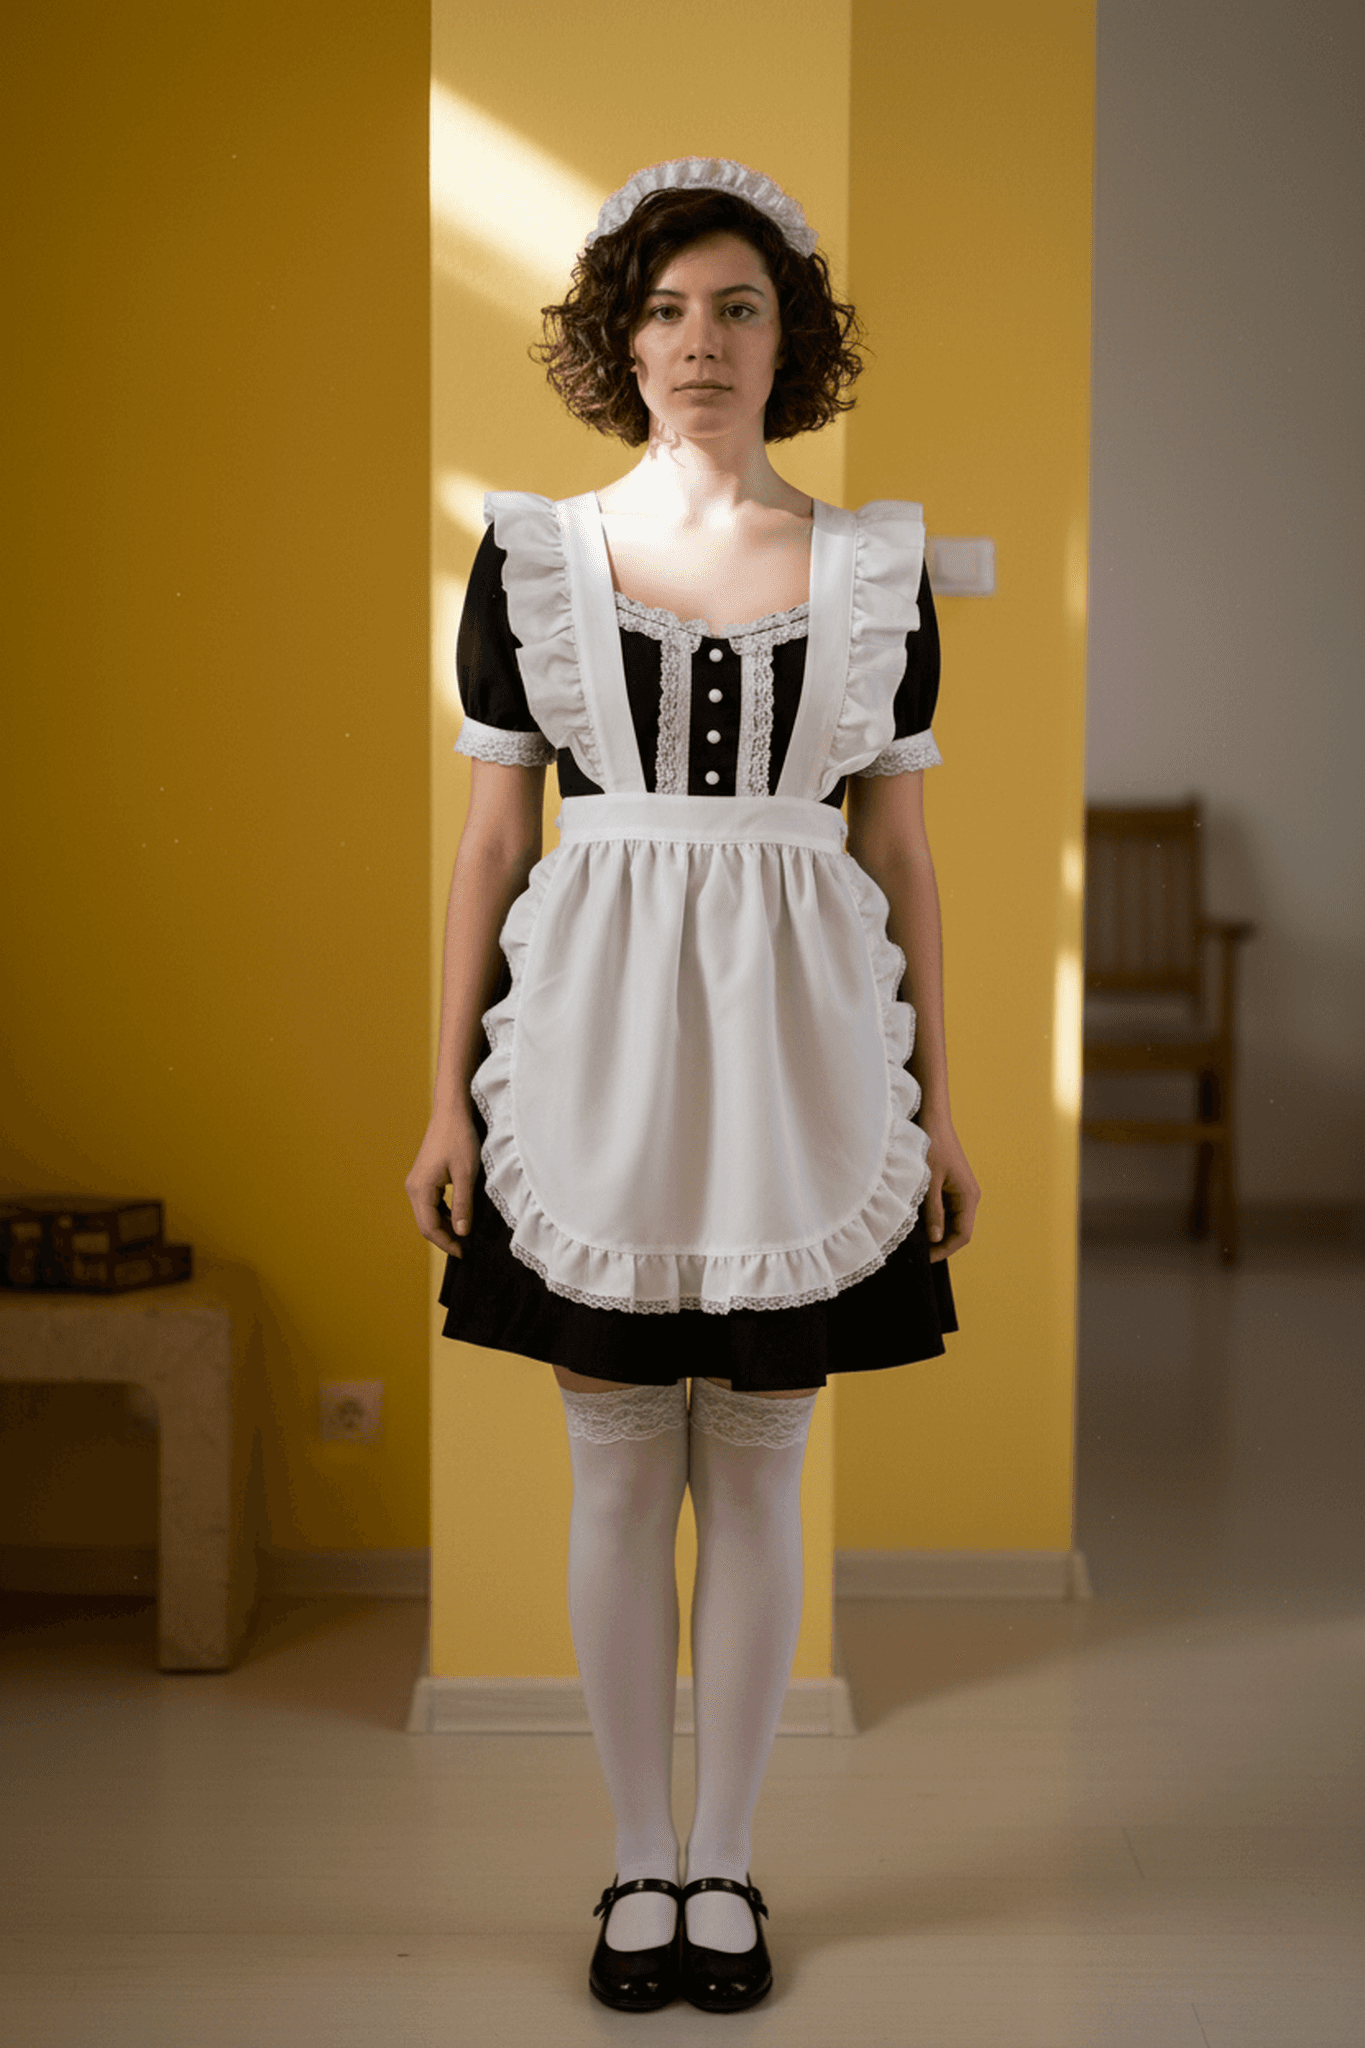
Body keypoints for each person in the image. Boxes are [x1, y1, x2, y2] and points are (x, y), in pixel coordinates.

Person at [405, 156, 980, 2014]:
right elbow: (492, 851)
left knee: (757, 1468)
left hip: (805, 1052)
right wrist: (441, 1105)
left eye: (737, 308)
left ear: (788, 337)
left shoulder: (879, 564)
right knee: (604, 1464)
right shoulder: (536, 558)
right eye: (664, 310)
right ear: (615, 339)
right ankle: (634, 1862)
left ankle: (725, 1868)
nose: (700, 341)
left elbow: (902, 862)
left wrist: (944, 1112)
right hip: (590, 1045)